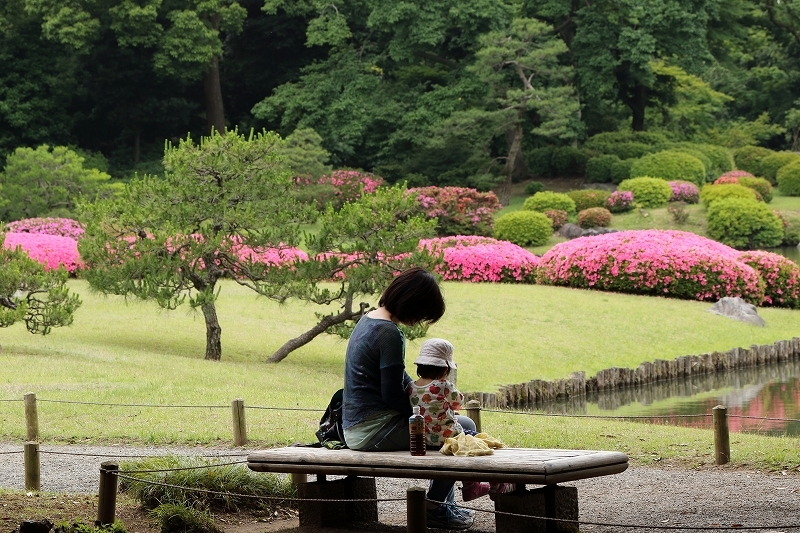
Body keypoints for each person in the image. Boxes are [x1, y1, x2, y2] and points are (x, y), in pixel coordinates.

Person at [342, 267, 474, 530]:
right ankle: (435, 507)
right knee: (462, 431)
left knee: (452, 426)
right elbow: (392, 395)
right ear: (413, 303)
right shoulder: (389, 333)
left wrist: (425, 396)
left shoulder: (368, 320)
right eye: (423, 314)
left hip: (356, 426)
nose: (420, 321)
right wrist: (431, 414)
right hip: (373, 430)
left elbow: (398, 378)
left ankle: (442, 506)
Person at [408, 338, 514, 502]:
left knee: (470, 443)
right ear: (445, 368)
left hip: (428, 441)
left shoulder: (411, 387)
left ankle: (471, 485)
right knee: (478, 442)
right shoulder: (443, 385)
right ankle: (494, 483)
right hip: (450, 438)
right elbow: (458, 402)